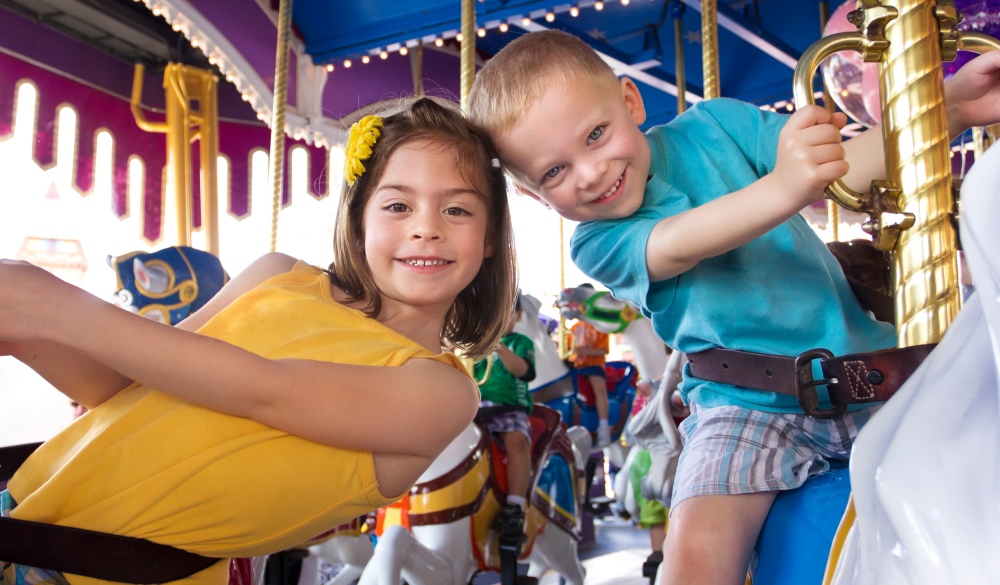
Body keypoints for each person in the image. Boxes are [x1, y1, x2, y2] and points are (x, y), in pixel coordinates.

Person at [468, 29, 1000, 585]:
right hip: (745, 409)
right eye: (554, 172)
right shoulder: (598, 241)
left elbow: (842, 169)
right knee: (694, 558)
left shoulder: (717, 126)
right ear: (532, 194)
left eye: (596, 135)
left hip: (870, 374)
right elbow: (682, 241)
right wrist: (786, 187)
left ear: (630, 102)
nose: (590, 172)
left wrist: (953, 107)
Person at [0, 96, 517, 585]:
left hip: (102, 572)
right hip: (19, 514)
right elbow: (121, 389)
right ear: (359, 217)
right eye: (398, 206)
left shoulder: (440, 393)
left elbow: (263, 390)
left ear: (490, 236)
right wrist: (29, 334)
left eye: (457, 210)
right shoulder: (276, 275)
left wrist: (59, 308)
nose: (426, 228)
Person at [472, 292, 536, 538]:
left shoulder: (520, 343)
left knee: (516, 442)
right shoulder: (475, 345)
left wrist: (497, 345)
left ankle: (515, 505)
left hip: (509, 408)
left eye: (506, 311)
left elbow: (523, 371)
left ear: (518, 315)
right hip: (476, 409)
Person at [566, 285, 611, 447]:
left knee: (598, 387)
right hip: (577, 365)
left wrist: (586, 350)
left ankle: (604, 426)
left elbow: (604, 350)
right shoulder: (573, 328)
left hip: (593, 364)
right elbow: (567, 351)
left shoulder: (599, 324)